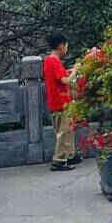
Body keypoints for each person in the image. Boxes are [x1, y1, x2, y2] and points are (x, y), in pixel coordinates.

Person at [43, 34, 79, 172]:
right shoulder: (54, 61)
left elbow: (60, 75)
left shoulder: (48, 60)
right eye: (66, 46)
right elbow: (65, 80)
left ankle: (69, 155)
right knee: (64, 132)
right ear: (61, 46)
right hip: (61, 101)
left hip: (56, 101)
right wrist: (75, 70)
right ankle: (59, 160)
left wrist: (68, 71)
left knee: (67, 130)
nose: (66, 49)